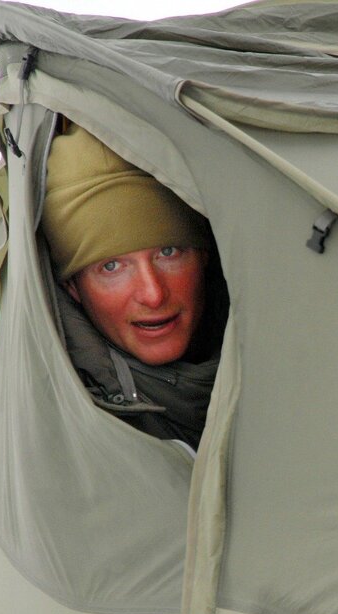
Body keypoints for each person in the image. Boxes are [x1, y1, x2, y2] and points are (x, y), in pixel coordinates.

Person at [40, 121, 227, 451]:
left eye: (168, 252)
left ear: (204, 255)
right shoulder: (58, 433)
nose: (153, 294)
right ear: (72, 287)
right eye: (112, 266)